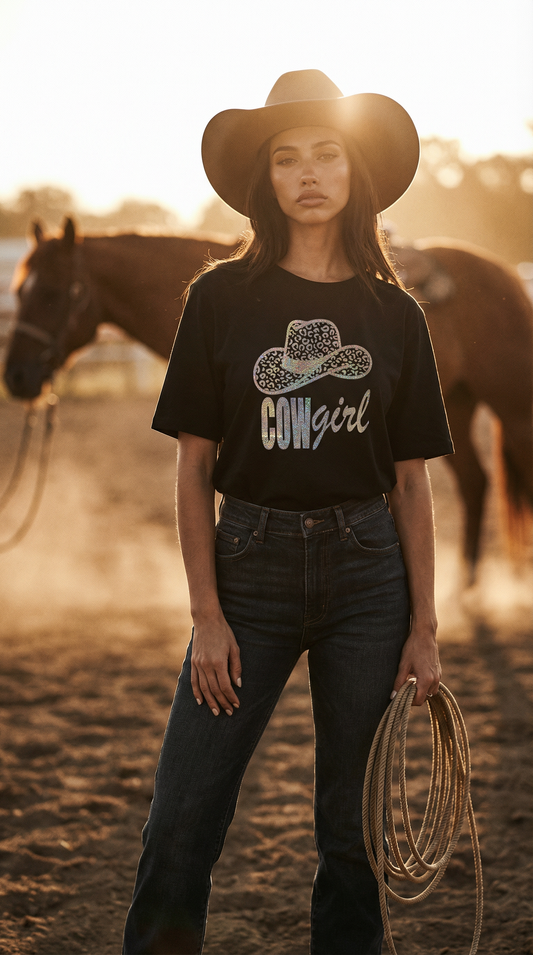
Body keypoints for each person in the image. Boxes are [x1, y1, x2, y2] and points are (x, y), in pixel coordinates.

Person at [122, 70, 453, 955]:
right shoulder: (219, 299)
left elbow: (411, 484)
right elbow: (193, 469)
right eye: (286, 158)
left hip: (367, 575)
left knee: (353, 835)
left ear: (356, 172)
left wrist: (423, 625)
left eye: (326, 152)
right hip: (249, 568)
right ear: (265, 179)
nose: (307, 173)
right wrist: (206, 615)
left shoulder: (395, 315)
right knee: (181, 818)